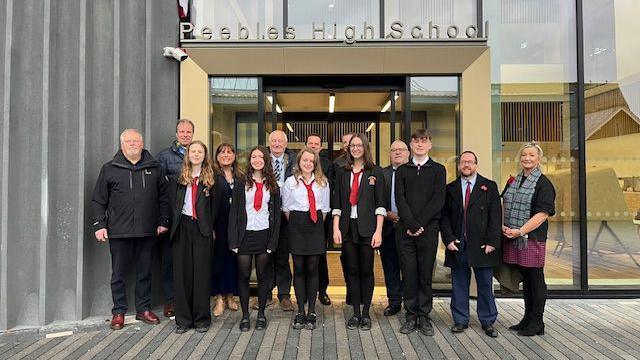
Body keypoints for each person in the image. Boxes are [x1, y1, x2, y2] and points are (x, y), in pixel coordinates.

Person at [92, 129, 170, 330]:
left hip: (147, 230)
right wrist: (99, 225)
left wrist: (163, 221)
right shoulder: (109, 169)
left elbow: (164, 198)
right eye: (129, 141)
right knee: (118, 274)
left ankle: (143, 309)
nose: (133, 144)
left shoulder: (155, 168)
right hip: (119, 232)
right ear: (122, 145)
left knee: (145, 272)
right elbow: (99, 200)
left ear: (142, 144)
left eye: (137, 141)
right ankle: (118, 312)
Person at [440, 151, 501, 338]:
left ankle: (488, 320)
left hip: (483, 245)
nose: (466, 165)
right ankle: (460, 320)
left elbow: (495, 216)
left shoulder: (489, 186)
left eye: (470, 162)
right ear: (458, 165)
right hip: (458, 244)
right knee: (459, 283)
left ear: (476, 164)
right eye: (463, 162)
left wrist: (492, 241)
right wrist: (448, 238)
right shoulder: (450, 188)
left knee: (484, 284)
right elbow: (444, 217)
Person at [394, 129, 446, 336]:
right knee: (408, 274)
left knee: (425, 274)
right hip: (405, 230)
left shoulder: (438, 170)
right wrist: (411, 224)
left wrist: (419, 224)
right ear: (411, 145)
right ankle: (410, 315)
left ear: (430, 145)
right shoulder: (402, 171)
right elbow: (400, 199)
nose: (420, 144)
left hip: (428, 230)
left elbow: (438, 200)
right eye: (416, 141)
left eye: (424, 141)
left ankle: (424, 316)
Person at [332, 133, 385, 331]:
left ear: (365, 148)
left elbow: (380, 205)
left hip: (368, 228)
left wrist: (378, 231)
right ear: (348, 148)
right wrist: (336, 228)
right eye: (352, 145)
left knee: (366, 270)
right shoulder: (343, 172)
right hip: (347, 227)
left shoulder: (375, 172)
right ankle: (355, 312)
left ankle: (366, 314)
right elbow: (337, 203)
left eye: (359, 145)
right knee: (352, 270)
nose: (355, 148)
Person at [502, 141, 555, 337]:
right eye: (524, 155)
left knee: (536, 278)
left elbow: (543, 214)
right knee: (526, 277)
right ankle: (527, 318)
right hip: (515, 236)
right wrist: (503, 227)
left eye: (532, 155)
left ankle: (537, 322)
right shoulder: (515, 181)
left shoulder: (543, 183)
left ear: (538, 159)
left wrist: (521, 231)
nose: (527, 158)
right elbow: (503, 203)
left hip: (531, 237)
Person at [229, 146, 281, 332]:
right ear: (249, 160)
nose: (257, 159)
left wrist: (273, 242)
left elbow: (276, 215)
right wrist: (233, 240)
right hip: (244, 235)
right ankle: (244, 316)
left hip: (263, 234)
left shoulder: (272, 185)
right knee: (243, 275)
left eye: (261, 157)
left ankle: (260, 315)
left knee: (262, 276)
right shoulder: (241, 182)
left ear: (265, 160)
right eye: (254, 157)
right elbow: (234, 212)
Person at [169, 140, 217, 334]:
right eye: (193, 151)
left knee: (201, 274)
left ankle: (202, 319)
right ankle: (183, 319)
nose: (196, 154)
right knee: (182, 274)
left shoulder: (213, 180)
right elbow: (171, 204)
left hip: (203, 229)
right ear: (187, 154)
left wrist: (212, 228)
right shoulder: (179, 178)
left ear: (205, 155)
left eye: (200, 152)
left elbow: (217, 208)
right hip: (183, 227)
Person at [282, 147, 331, 330]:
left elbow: (325, 209)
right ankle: (300, 312)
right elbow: (286, 207)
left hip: (315, 225)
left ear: (315, 163)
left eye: (311, 161)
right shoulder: (290, 182)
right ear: (299, 162)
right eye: (305, 160)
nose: (308, 163)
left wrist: (314, 223)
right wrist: (298, 222)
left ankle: (311, 311)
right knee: (299, 269)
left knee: (313, 269)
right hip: (296, 224)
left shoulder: (323, 182)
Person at [155, 118, 195, 317]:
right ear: (176, 133)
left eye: (189, 132)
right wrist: (162, 219)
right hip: (171, 217)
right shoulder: (163, 157)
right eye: (182, 131)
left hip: (191, 218)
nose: (186, 135)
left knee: (189, 260)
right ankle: (170, 301)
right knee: (169, 260)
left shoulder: (198, 154)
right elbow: (158, 190)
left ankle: (187, 298)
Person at [266, 130, 296, 312]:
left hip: (286, 215)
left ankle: (284, 295)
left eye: (280, 141)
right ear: (269, 143)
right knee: (266, 256)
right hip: (265, 215)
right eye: (273, 141)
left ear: (285, 144)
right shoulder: (261, 159)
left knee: (283, 256)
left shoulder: (293, 160)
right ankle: (266, 293)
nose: (277, 144)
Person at [210, 143, 240, 317]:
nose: (226, 155)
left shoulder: (240, 176)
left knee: (233, 261)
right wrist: (211, 227)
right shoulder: (212, 176)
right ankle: (219, 298)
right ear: (217, 156)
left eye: (230, 152)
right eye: (222, 152)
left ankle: (231, 296)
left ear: (234, 156)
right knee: (218, 261)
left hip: (235, 226)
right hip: (218, 226)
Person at [381, 140, 409, 316]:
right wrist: (386, 213)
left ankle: (410, 302)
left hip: (409, 228)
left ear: (408, 153)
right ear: (389, 154)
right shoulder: (381, 173)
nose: (397, 153)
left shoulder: (415, 172)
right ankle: (394, 302)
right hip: (387, 227)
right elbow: (375, 199)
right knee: (390, 266)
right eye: (394, 150)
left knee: (409, 267)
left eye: (401, 150)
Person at [305, 133, 333, 306]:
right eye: (310, 143)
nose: (314, 146)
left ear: (321, 147)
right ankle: (305, 292)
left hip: (321, 219)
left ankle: (322, 290)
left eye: (317, 144)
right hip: (300, 220)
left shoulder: (329, 166)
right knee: (301, 258)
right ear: (305, 145)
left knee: (320, 256)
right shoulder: (298, 164)